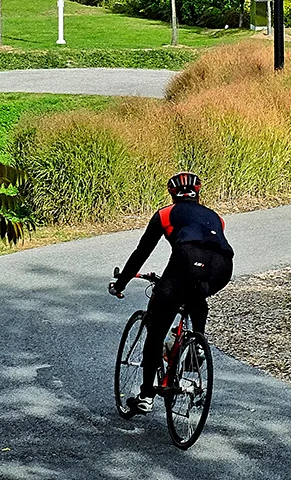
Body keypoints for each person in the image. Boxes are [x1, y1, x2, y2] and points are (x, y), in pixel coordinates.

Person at [108, 172, 234, 414]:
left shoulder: (165, 214)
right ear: (197, 193)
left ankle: (146, 395)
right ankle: (197, 342)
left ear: (172, 194)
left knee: (156, 330)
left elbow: (141, 252)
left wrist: (121, 283)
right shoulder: (216, 217)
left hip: (185, 262)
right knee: (196, 294)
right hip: (222, 268)